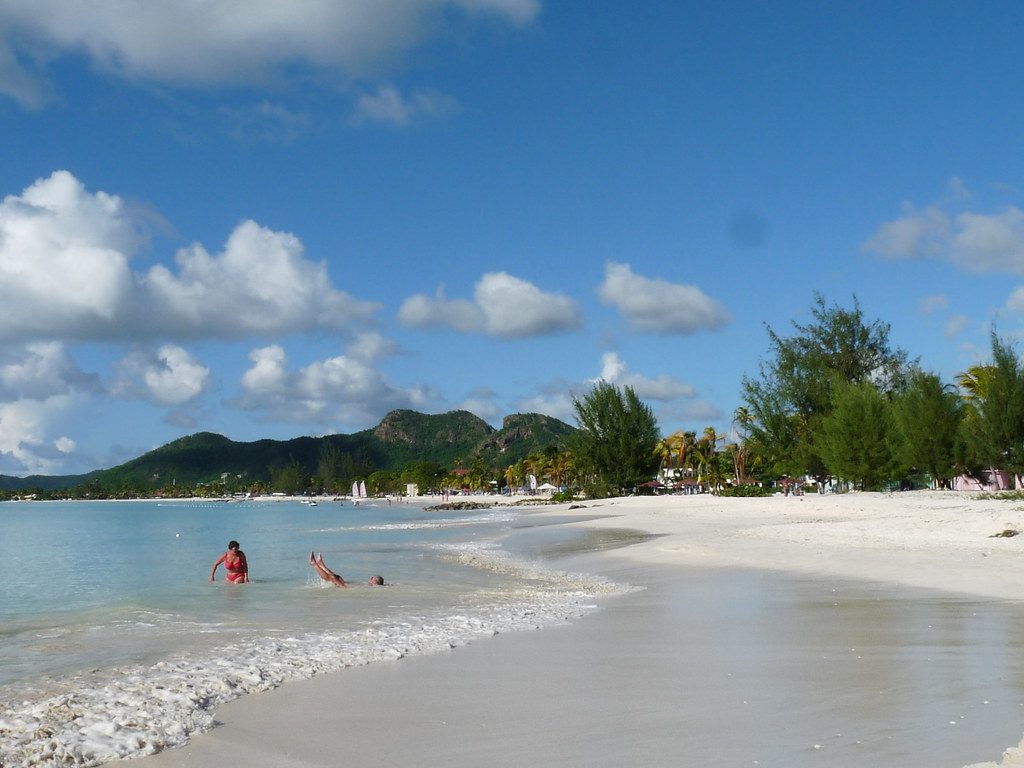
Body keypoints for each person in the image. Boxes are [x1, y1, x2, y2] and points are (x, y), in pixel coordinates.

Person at [309, 551, 384, 587]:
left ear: (374, 581)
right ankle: (321, 565)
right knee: (337, 577)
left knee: (333, 578)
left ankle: (314, 564)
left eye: (372, 578)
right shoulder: (373, 585)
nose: (370, 579)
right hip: (347, 585)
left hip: (346, 587)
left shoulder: (374, 586)